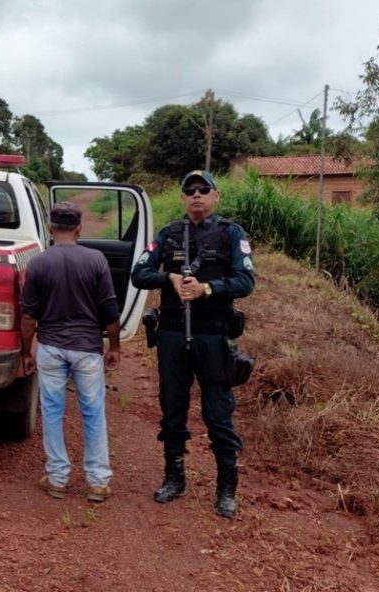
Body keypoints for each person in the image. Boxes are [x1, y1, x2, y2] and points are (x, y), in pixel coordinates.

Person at [131, 170, 255, 518]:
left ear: (216, 196)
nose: (196, 195)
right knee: (172, 409)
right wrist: (168, 277)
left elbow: (246, 281)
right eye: (190, 191)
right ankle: (174, 478)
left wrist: (207, 289)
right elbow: (139, 274)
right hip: (172, 335)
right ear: (183, 198)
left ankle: (226, 490)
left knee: (218, 414)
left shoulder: (231, 233)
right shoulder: (168, 234)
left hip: (213, 336)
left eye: (204, 190)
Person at [20, 202, 121, 503]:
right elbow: (109, 309)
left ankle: (57, 478)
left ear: (50, 229)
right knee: (93, 412)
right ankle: (98, 482)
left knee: (52, 412)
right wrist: (114, 346)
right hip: (87, 349)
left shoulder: (38, 262)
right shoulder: (96, 260)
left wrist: (27, 352)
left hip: (50, 347)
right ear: (79, 229)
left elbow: (28, 316)